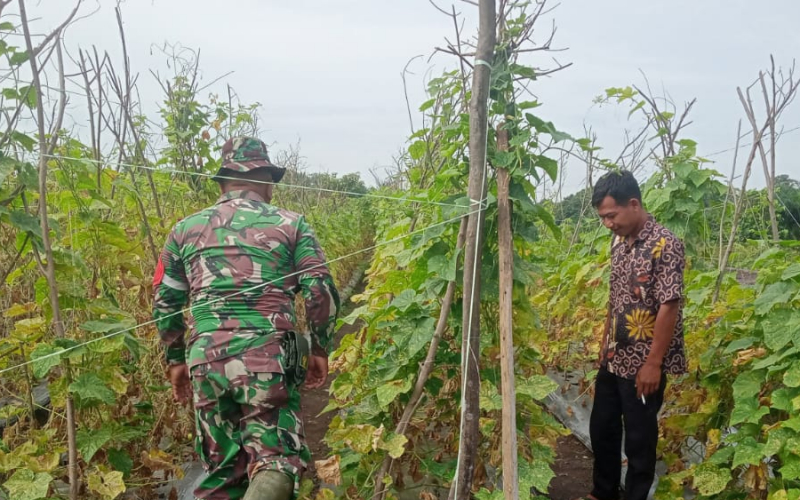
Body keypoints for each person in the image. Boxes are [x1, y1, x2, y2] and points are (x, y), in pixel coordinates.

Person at [153, 136, 340, 500]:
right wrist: (320, 347)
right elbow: (320, 289)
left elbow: (165, 300)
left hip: (206, 360)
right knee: (275, 461)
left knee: (221, 470)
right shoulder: (291, 224)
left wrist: (176, 360)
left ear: (223, 183)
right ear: (267, 181)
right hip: (267, 357)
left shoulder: (184, 229)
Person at [581, 170, 687, 500]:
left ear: (634, 204)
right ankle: (604, 492)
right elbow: (616, 298)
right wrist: (603, 344)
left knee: (640, 440)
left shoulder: (665, 245)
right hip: (613, 358)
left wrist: (654, 363)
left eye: (611, 215)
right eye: (603, 218)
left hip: (644, 364)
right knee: (602, 430)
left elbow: (670, 305)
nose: (608, 224)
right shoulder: (619, 242)